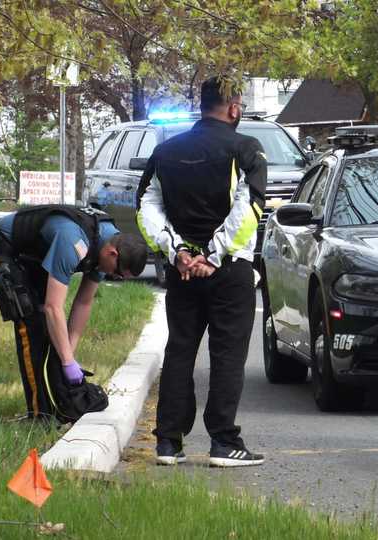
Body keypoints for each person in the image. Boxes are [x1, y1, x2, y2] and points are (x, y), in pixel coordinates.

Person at [137, 75, 267, 467]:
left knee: (180, 349)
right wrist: (213, 254)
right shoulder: (247, 148)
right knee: (227, 355)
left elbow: (147, 206)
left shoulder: (167, 151)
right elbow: (250, 209)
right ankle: (224, 443)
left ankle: (168, 443)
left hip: (182, 271)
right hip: (228, 270)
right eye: (239, 104)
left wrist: (177, 250)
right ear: (232, 107)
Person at [0, 205, 147, 421]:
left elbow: (84, 302)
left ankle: (54, 404)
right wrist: (67, 361)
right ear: (112, 253)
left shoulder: (107, 245)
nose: (115, 277)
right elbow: (54, 307)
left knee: (53, 335)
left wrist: (67, 353)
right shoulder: (72, 242)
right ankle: (38, 416)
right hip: (0, 244)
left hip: (32, 255)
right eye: (118, 273)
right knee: (32, 324)